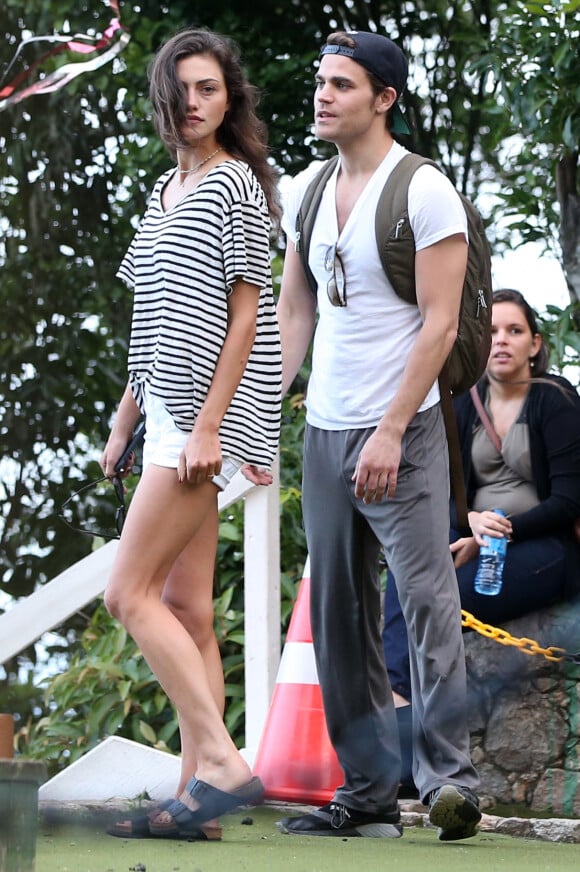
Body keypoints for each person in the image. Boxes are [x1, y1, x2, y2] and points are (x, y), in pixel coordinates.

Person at [250, 29, 481, 840]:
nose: (323, 95)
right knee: (341, 613)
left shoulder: (424, 191)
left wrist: (389, 431)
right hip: (325, 431)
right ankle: (368, 792)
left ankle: (450, 782)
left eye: (341, 85)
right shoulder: (309, 188)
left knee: (424, 601)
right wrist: (266, 403)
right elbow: (295, 307)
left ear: (383, 98)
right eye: (321, 81)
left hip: (404, 431)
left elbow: (441, 323)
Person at [100, 28, 282, 840]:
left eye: (208, 88)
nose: (194, 102)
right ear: (164, 102)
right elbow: (152, 319)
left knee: (125, 593)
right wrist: (125, 417)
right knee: (188, 610)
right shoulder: (165, 191)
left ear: (228, 98)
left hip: (204, 421)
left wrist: (211, 424)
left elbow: (249, 312)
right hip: (165, 412)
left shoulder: (233, 184)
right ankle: (193, 807)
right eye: (182, 90)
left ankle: (222, 762)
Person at [383, 289, 580, 781]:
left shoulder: (554, 401)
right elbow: (443, 492)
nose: (501, 341)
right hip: (476, 539)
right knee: (404, 582)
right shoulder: (462, 403)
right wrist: (469, 523)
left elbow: (569, 502)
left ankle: (414, 754)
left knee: (438, 596)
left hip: (546, 550)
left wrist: (500, 531)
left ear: (535, 344)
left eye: (514, 331)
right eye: (491, 331)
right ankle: (400, 717)